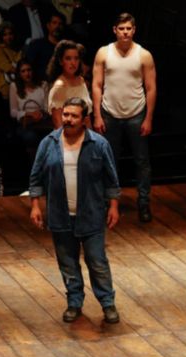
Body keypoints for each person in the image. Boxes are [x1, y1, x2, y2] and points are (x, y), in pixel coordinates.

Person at [29, 97, 121, 324]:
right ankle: (74, 302)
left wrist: (114, 206)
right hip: (60, 215)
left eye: (74, 116)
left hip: (91, 214)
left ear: (84, 119)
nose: (68, 119)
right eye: (66, 114)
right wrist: (35, 206)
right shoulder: (49, 143)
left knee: (97, 262)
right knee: (68, 263)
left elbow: (111, 179)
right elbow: (36, 176)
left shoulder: (98, 144)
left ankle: (107, 303)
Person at [92, 12, 156, 223]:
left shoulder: (144, 55)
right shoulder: (104, 53)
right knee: (109, 161)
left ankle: (143, 202)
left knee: (142, 161)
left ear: (134, 30)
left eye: (129, 28)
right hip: (110, 113)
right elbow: (97, 84)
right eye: (122, 28)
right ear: (115, 30)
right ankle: (108, 203)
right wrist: (97, 114)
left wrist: (148, 118)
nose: (125, 32)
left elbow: (151, 87)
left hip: (136, 113)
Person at [46, 39, 91, 128]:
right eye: (68, 58)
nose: (73, 63)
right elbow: (58, 122)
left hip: (84, 132)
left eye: (76, 58)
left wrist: (90, 135)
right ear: (60, 61)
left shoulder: (81, 80)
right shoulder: (59, 86)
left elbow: (87, 118)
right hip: (67, 134)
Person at [0, 21, 22, 99]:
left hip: (16, 90)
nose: (8, 37)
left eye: (10, 34)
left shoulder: (17, 49)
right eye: (5, 35)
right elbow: (10, 68)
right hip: (1, 92)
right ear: (0, 36)